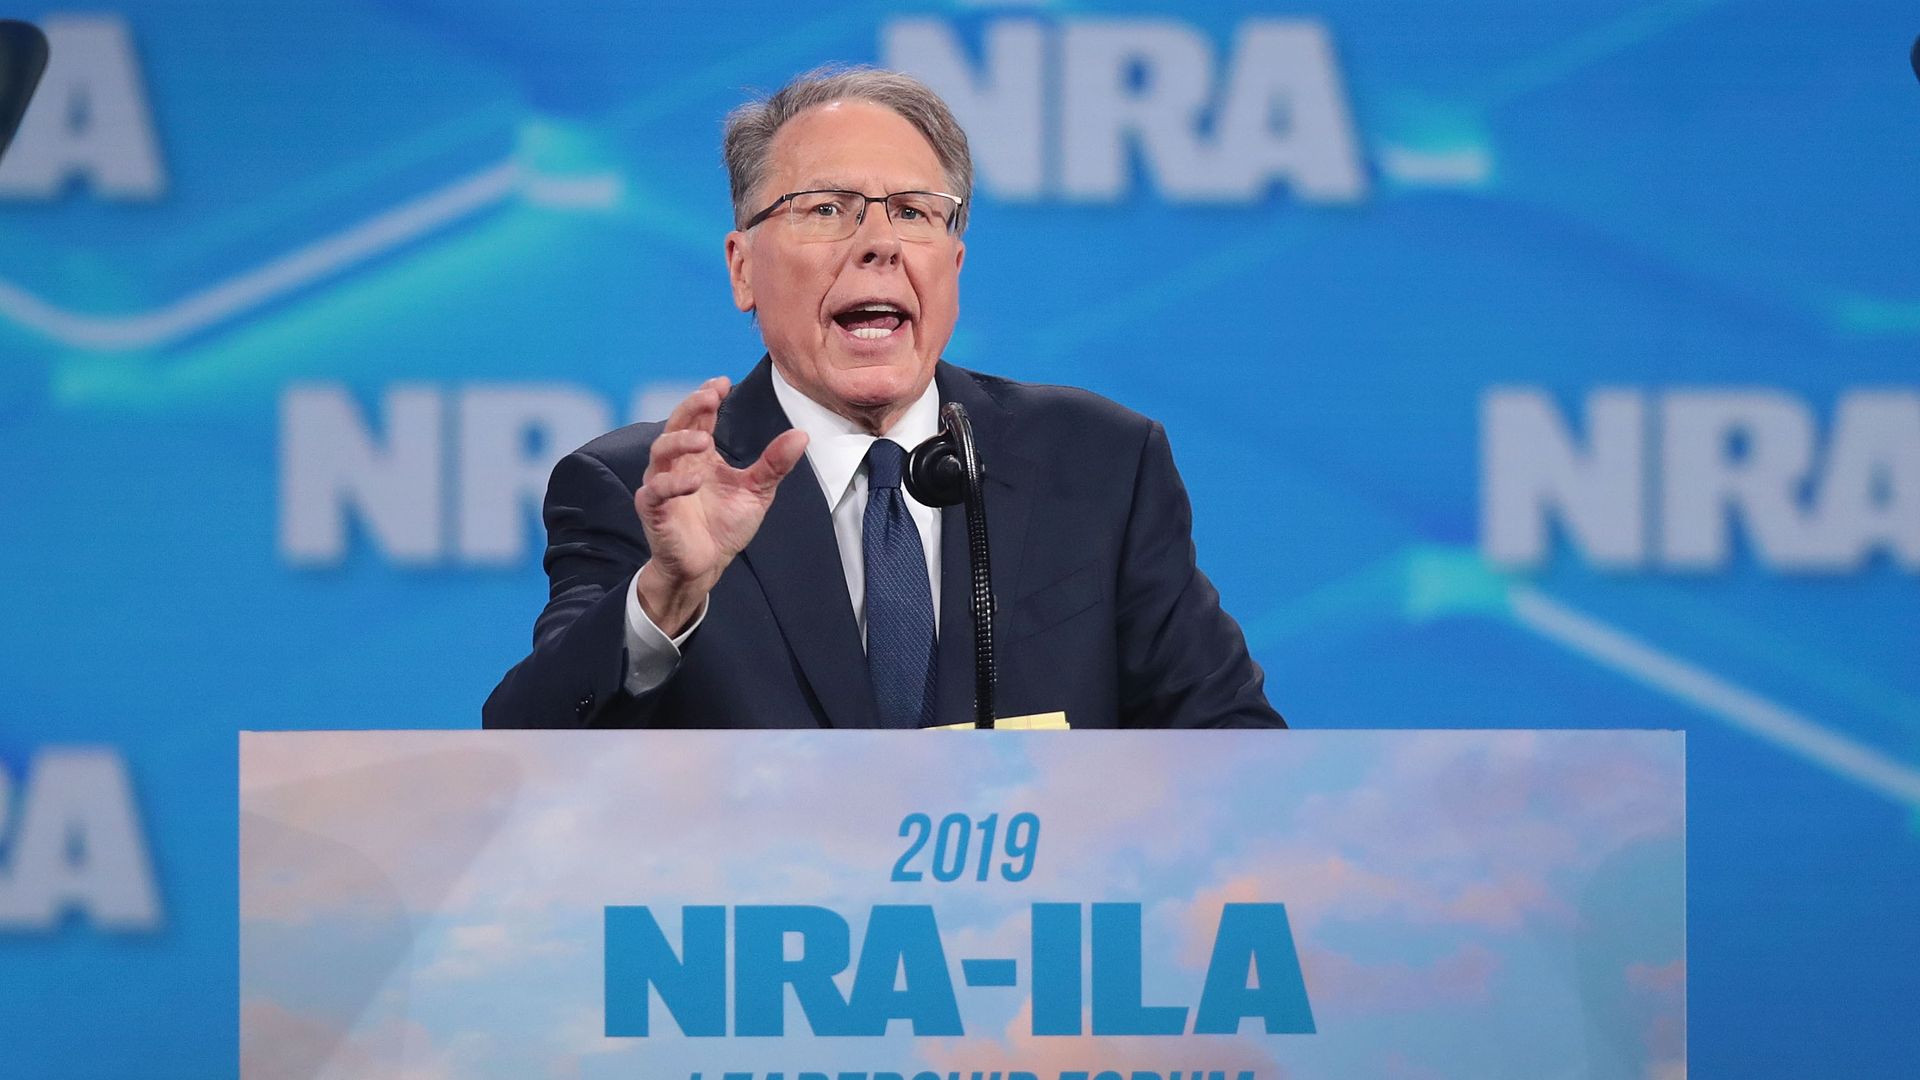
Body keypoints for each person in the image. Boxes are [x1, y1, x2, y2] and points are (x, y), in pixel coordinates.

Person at [483, 66, 1283, 730]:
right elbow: (526, 751)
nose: (879, 244)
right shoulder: (641, 492)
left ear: (953, 266)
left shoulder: (1097, 460)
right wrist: (667, 594)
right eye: (826, 209)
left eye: (912, 212)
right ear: (742, 268)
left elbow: (1234, 747)